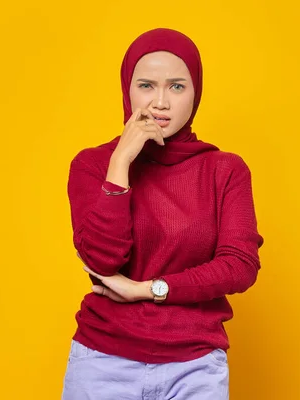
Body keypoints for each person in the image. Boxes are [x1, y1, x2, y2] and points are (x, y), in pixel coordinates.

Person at [62, 28, 264, 400]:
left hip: (195, 365)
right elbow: (104, 259)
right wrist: (121, 160)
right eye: (146, 85)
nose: (160, 102)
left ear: (196, 92)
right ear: (127, 89)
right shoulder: (92, 165)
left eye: (176, 86)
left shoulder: (225, 170)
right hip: (103, 362)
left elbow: (239, 265)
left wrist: (147, 290)